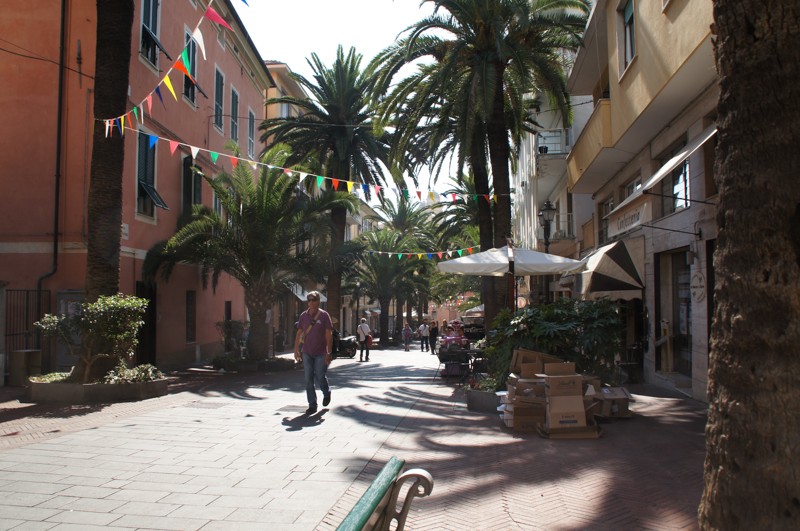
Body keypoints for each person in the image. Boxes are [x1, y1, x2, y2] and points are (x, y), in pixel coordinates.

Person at [293, 291, 333, 414]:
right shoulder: (303, 316)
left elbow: (328, 335)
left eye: (313, 300)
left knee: (320, 376)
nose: (311, 302)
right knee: (308, 379)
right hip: (307, 352)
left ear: (318, 301)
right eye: (309, 300)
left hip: (321, 352)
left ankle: (326, 392)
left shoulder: (324, 315)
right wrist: (296, 350)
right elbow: (299, 333)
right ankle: (312, 404)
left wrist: (329, 352)